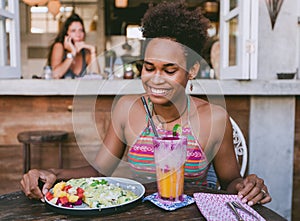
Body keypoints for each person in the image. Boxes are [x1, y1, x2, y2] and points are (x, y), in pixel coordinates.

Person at [21, 1, 271, 206]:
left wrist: (248, 186)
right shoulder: (126, 109)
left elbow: (230, 182)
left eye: (170, 69)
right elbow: (98, 172)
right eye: (149, 67)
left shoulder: (215, 118)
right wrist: (52, 174)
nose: (156, 78)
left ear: (192, 69)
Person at [47, 13, 100, 79]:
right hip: (59, 88)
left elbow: (97, 78)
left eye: (80, 30)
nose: (78, 34)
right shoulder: (59, 46)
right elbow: (55, 75)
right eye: (73, 31)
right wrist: (72, 53)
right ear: (66, 34)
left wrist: (92, 51)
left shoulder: (85, 52)